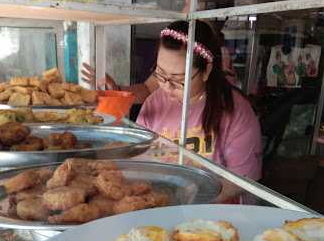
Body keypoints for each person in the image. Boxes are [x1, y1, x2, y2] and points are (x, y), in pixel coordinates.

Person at [85, 20, 262, 203]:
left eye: (178, 79)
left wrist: (185, 203)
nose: (167, 87)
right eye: (160, 74)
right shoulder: (155, 101)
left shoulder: (236, 112)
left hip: (212, 212)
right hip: (160, 203)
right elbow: (138, 157)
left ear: (206, 71)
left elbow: (240, 181)